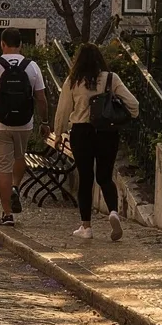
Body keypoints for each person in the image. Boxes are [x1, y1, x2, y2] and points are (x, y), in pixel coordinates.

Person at [51, 42, 140, 241]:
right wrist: (127, 117)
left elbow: (63, 110)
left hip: (82, 133)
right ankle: (114, 212)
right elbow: (134, 104)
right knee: (105, 176)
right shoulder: (111, 78)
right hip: (107, 132)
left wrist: (58, 133)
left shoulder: (73, 81)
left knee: (85, 178)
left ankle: (86, 227)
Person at [0, 28, 48, 226]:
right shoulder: (32, 67)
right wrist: (45, 122)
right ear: (21, 45)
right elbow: (41, 98)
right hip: (24, 123)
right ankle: (16, 186)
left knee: (3, 168)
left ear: (2, 44)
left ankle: (7, 214)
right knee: (19, 157)